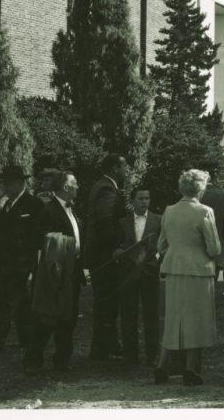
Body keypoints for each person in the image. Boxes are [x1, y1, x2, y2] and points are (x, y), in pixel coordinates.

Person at [153, 169, 223, 386]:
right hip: (198, 270)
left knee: (174, 318)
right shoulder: (204, 211)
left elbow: (161, 244)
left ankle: (161, 365)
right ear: (201, 188)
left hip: (174, 269)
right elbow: (213, 248)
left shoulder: (169, 211)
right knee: (197, 319)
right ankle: (190, 368)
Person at [24, 171, 85, 374]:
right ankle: (33, 361)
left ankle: (62, 360)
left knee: (69, 317)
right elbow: (42, 239)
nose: (78, 187)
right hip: (55, 272)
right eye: (75, 183)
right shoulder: (48, 210)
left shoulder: (73, 210)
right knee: (47, 316)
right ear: (66, 187)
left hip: (72, 272)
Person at [0, 164, 44, 354]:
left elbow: (37, 237)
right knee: (13, 302)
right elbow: (0, 235)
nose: (6, 188)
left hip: (23, 263)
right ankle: (25, 339)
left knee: (13, 302)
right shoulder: (9, 204)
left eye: (8, 184)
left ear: (19, 183)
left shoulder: (34, 205)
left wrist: (34, 266)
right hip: (4, 263)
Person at [84, 153, 129, 360]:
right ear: (114, 168)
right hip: (105, 254)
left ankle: (105, 345)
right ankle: (104, 348)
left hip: (100, 252)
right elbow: (105, 221)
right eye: (123, 166)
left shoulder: (103, 186)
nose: (126, 170)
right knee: (107, 300)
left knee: (106, 300)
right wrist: (116, 246)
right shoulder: (106, 188)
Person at [115, 185, 162, 366]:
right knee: (128, 313)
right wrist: (118, 251)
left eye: (147, 198)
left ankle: (152, 355)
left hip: (150, 273)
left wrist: (157, 258)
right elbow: (118, 245)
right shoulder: (122, 223)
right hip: (128, 273)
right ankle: (130, 355)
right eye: (141, 198)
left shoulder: (159, 221)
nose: (144, 202)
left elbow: (164, 245)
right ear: (133, 201)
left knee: (151, 314)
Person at [200, 173, 224, 291]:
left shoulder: (195, 195)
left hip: (194, 244)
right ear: (215, 178)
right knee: (211, 283)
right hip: (216, 242)